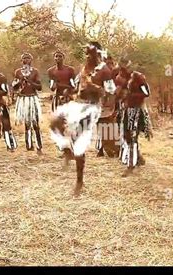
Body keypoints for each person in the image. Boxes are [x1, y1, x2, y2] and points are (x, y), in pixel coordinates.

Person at [49, 41, 116, 196]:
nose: (87, 56)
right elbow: (77, 87)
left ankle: (79, 181)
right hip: (78, 104)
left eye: (90, 53)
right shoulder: (84, 68)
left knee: (79, 140)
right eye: (86, 53)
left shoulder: (105, 71)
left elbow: (111, 93)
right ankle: (67, 150)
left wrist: (97, 89)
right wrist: (69, 92)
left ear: (97, 54)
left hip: (92, 108)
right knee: (55, 121)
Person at [118, 66, 152, 176]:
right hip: (128, 111)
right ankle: (138, 158)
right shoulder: (124, 78)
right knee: (127, 136)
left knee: (132, 136)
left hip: (137, 111)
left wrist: (131, 97)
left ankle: (130, 166)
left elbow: (146, 93)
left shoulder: (139, 78)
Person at [13, 53, 43, 154]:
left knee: (35, 123)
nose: (26, 60)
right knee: (27, 123)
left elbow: (39, 87)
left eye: (28, 58)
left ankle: (39, 146)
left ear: (31, 60)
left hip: (32, 98)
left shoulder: (35, 72)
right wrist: (20, 81)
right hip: (23, 99)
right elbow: (14, 87)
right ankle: (29, 146)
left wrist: (30, 81)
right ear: (21, 61)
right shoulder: (18, 72)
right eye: (24, 58)